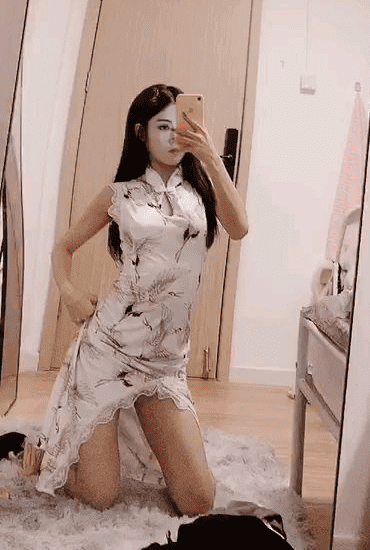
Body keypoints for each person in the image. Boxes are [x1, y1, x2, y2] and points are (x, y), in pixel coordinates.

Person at [28, 83, 248, 514]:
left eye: (180, 126)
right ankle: (53, 452)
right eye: (162, 127)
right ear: (141, 133)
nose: (173, 136)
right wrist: (69, 292)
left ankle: (122, 438)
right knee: (100, 495)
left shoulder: (200, 192)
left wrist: (209, 156)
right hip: (108, 351)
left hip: (165, 365)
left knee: (198, 500)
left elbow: (239, 227)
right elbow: (63, 247)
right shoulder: (121, 194)